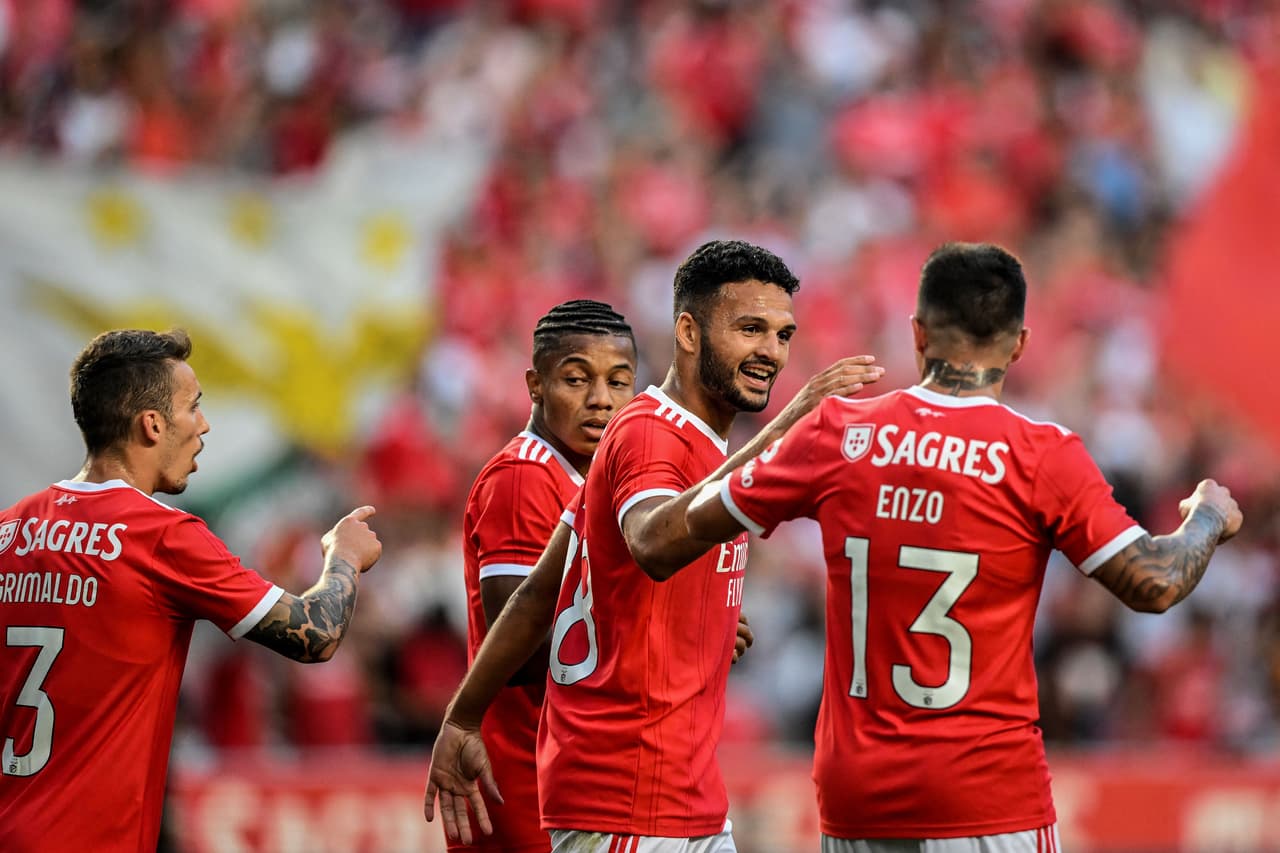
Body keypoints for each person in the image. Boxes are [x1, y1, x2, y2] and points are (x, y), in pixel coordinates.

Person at [674, 242, 1243, 851]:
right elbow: (1154, 580)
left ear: (917, 334)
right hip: (989, 800)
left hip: (858, 798)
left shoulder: (840, 432)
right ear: (1019, 344)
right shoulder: (1039, 454)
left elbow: (686, 524)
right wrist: (1207, 517)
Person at [425, 238, 884, 851]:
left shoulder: (677, 442)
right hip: (626, 796)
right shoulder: (647, 432)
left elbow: (542, 590)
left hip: (682, 793)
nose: (770, 352)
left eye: (782, 335)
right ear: (689, 333)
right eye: (750, 329)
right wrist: (790, 424)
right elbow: (652, 542)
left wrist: (460, 718)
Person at [0, 328, 383, 853]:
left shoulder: (10, 529)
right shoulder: (159, 534)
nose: (203, 425)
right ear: (152, 425)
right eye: (193, 407)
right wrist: (344, 556)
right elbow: (315, 634)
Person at [453, 299, 638, 852]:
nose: (601, 399)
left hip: (575, 779)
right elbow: (523, 655)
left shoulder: (597, 477)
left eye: (619, 381)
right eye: (577, 379)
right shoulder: (523, 479)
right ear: (535, 384)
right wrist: (666, 631)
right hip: (525, 787)